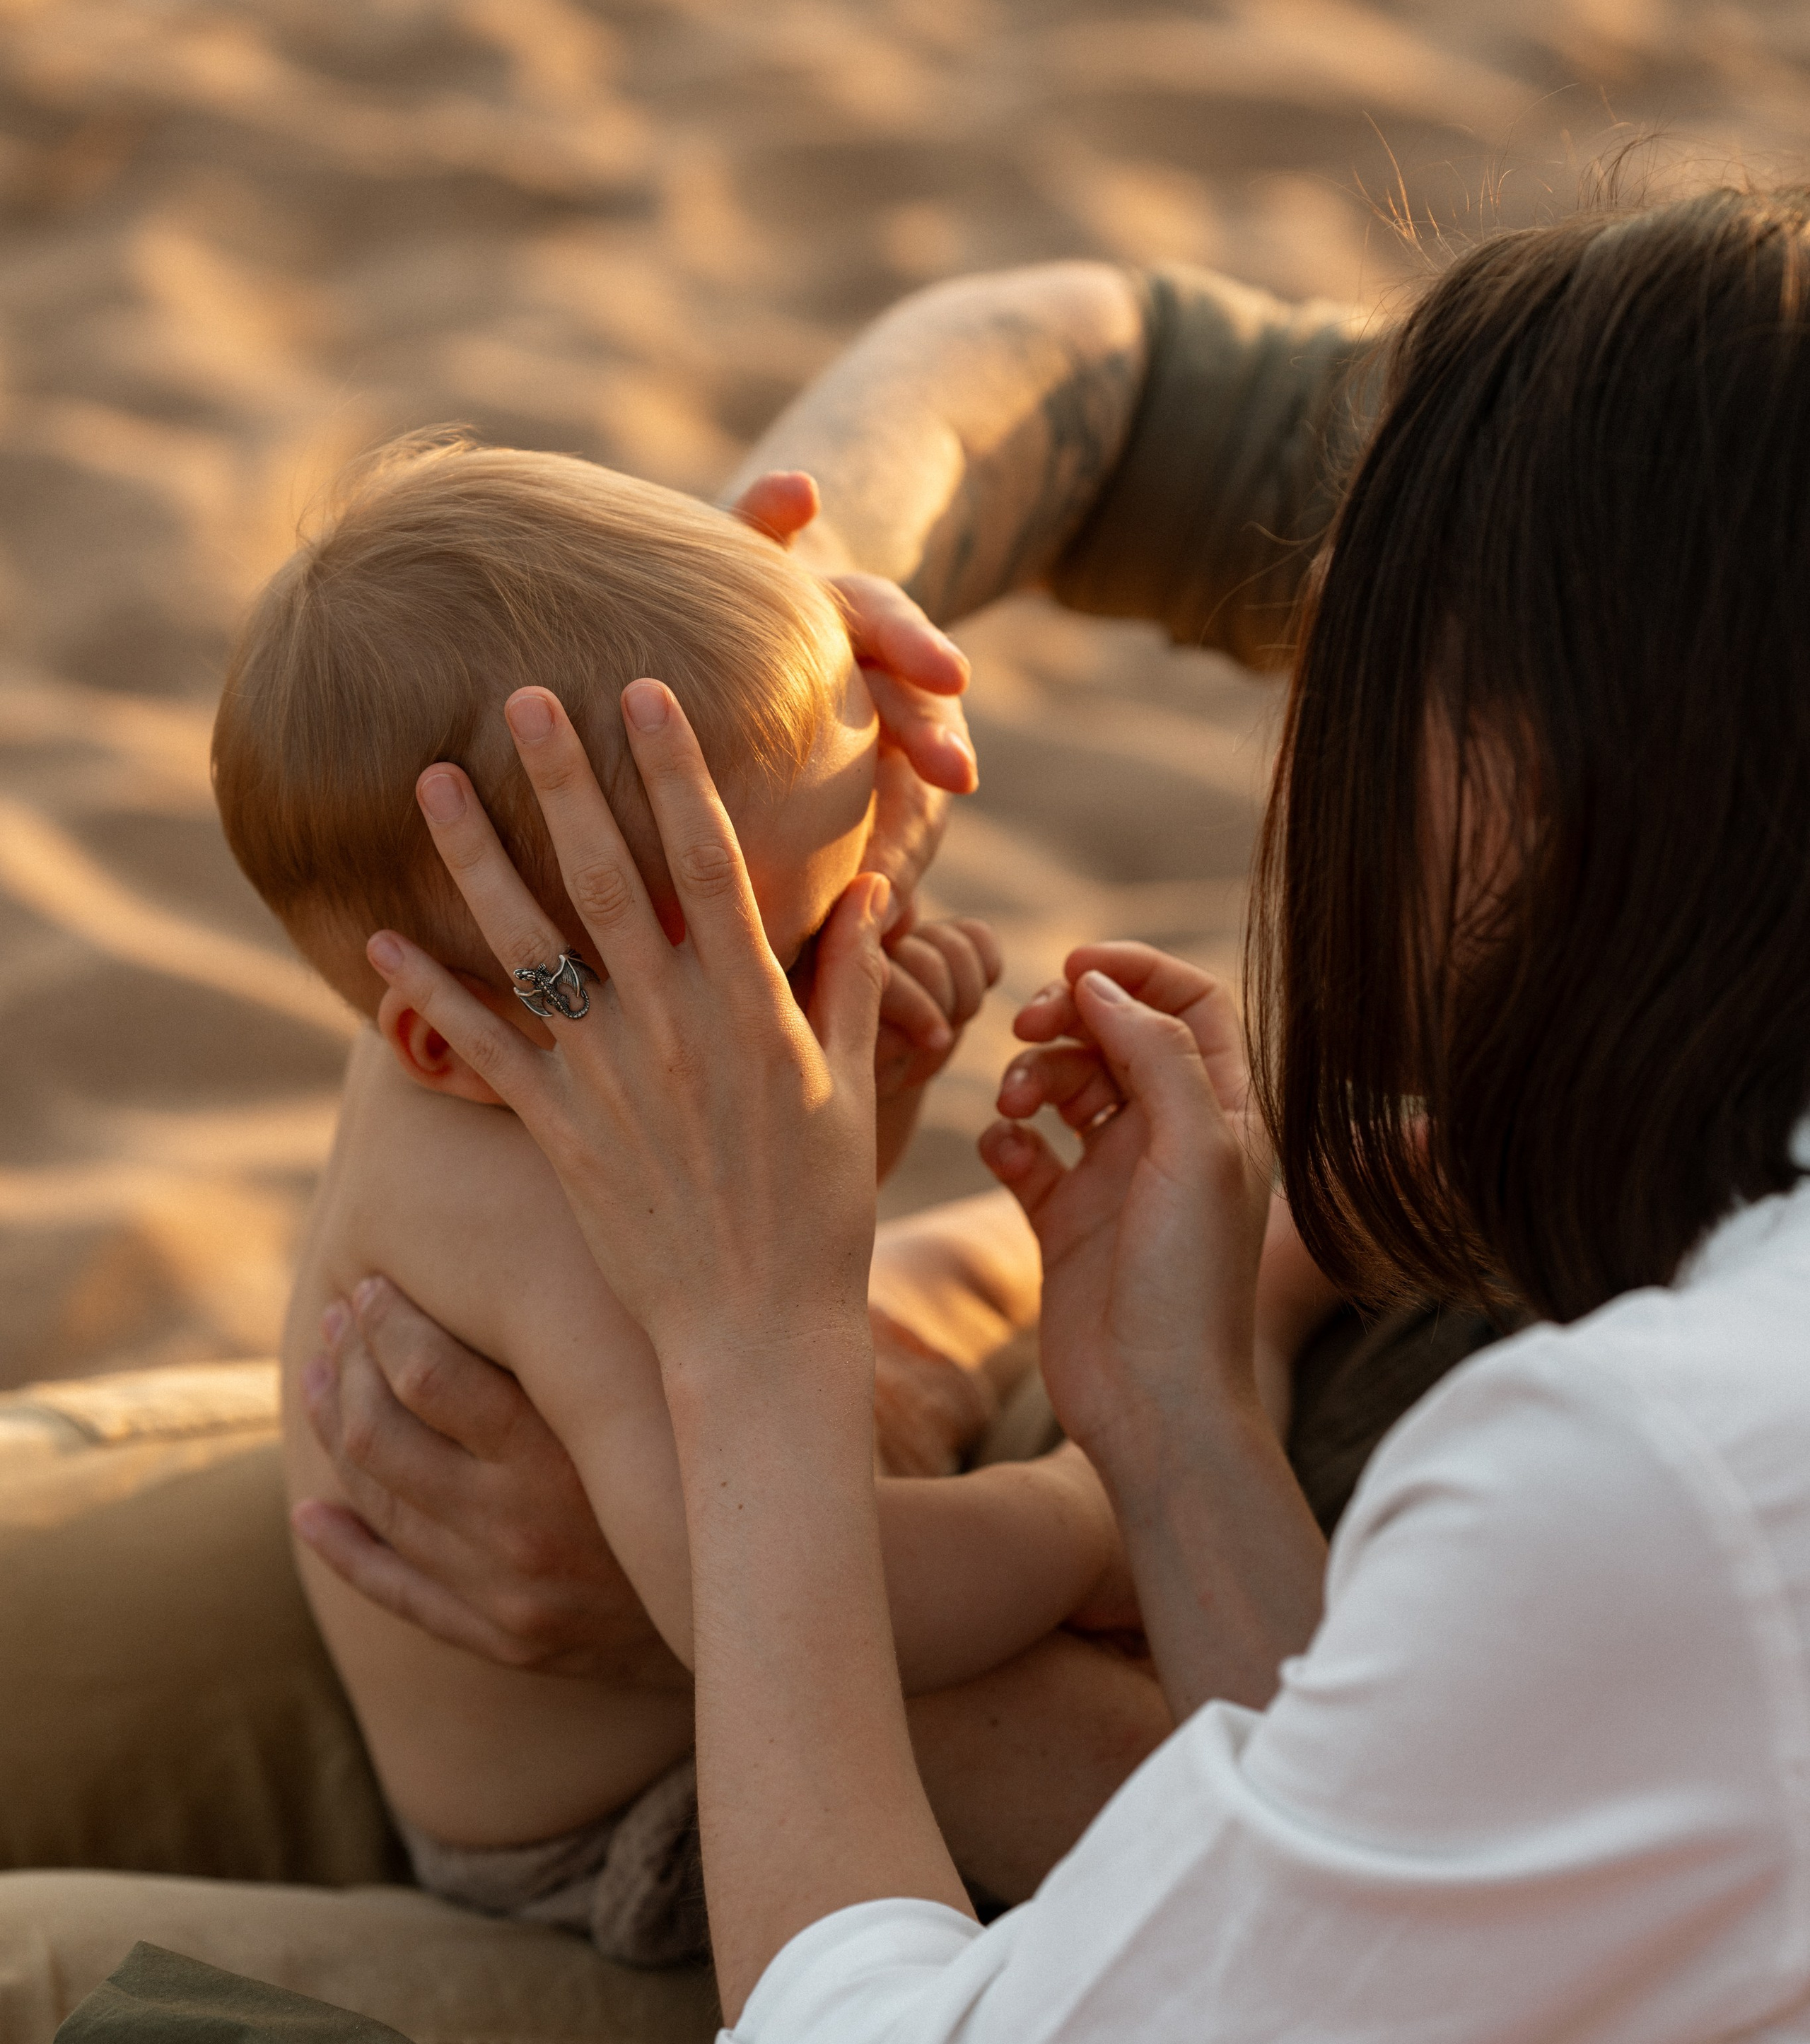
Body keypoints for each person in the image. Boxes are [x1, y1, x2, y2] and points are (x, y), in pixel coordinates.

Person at [6, 185, 1809, 2044]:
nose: (1305, 734)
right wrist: (756, 620)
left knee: (44, 2029)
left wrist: (1008, 1450)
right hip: (788, 1554)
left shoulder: (1663, 1482)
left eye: (1376, 672)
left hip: (791, 1818)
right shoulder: (1678, 499)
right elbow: (1106, 364)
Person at [215, 432, 1349, 1948]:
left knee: (940, 1282)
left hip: (731, 1479)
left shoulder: (502, 995)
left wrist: (861, 1086)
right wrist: (1086, 1512)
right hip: (644, 1788)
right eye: (778, 950)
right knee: (1069, 1745)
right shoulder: (526, 1231)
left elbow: (773, 1273)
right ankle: (1234, 1358)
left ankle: (1218, 1320)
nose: (828, 973)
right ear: (444, 1034)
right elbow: (794, 1595)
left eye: (824, 921)